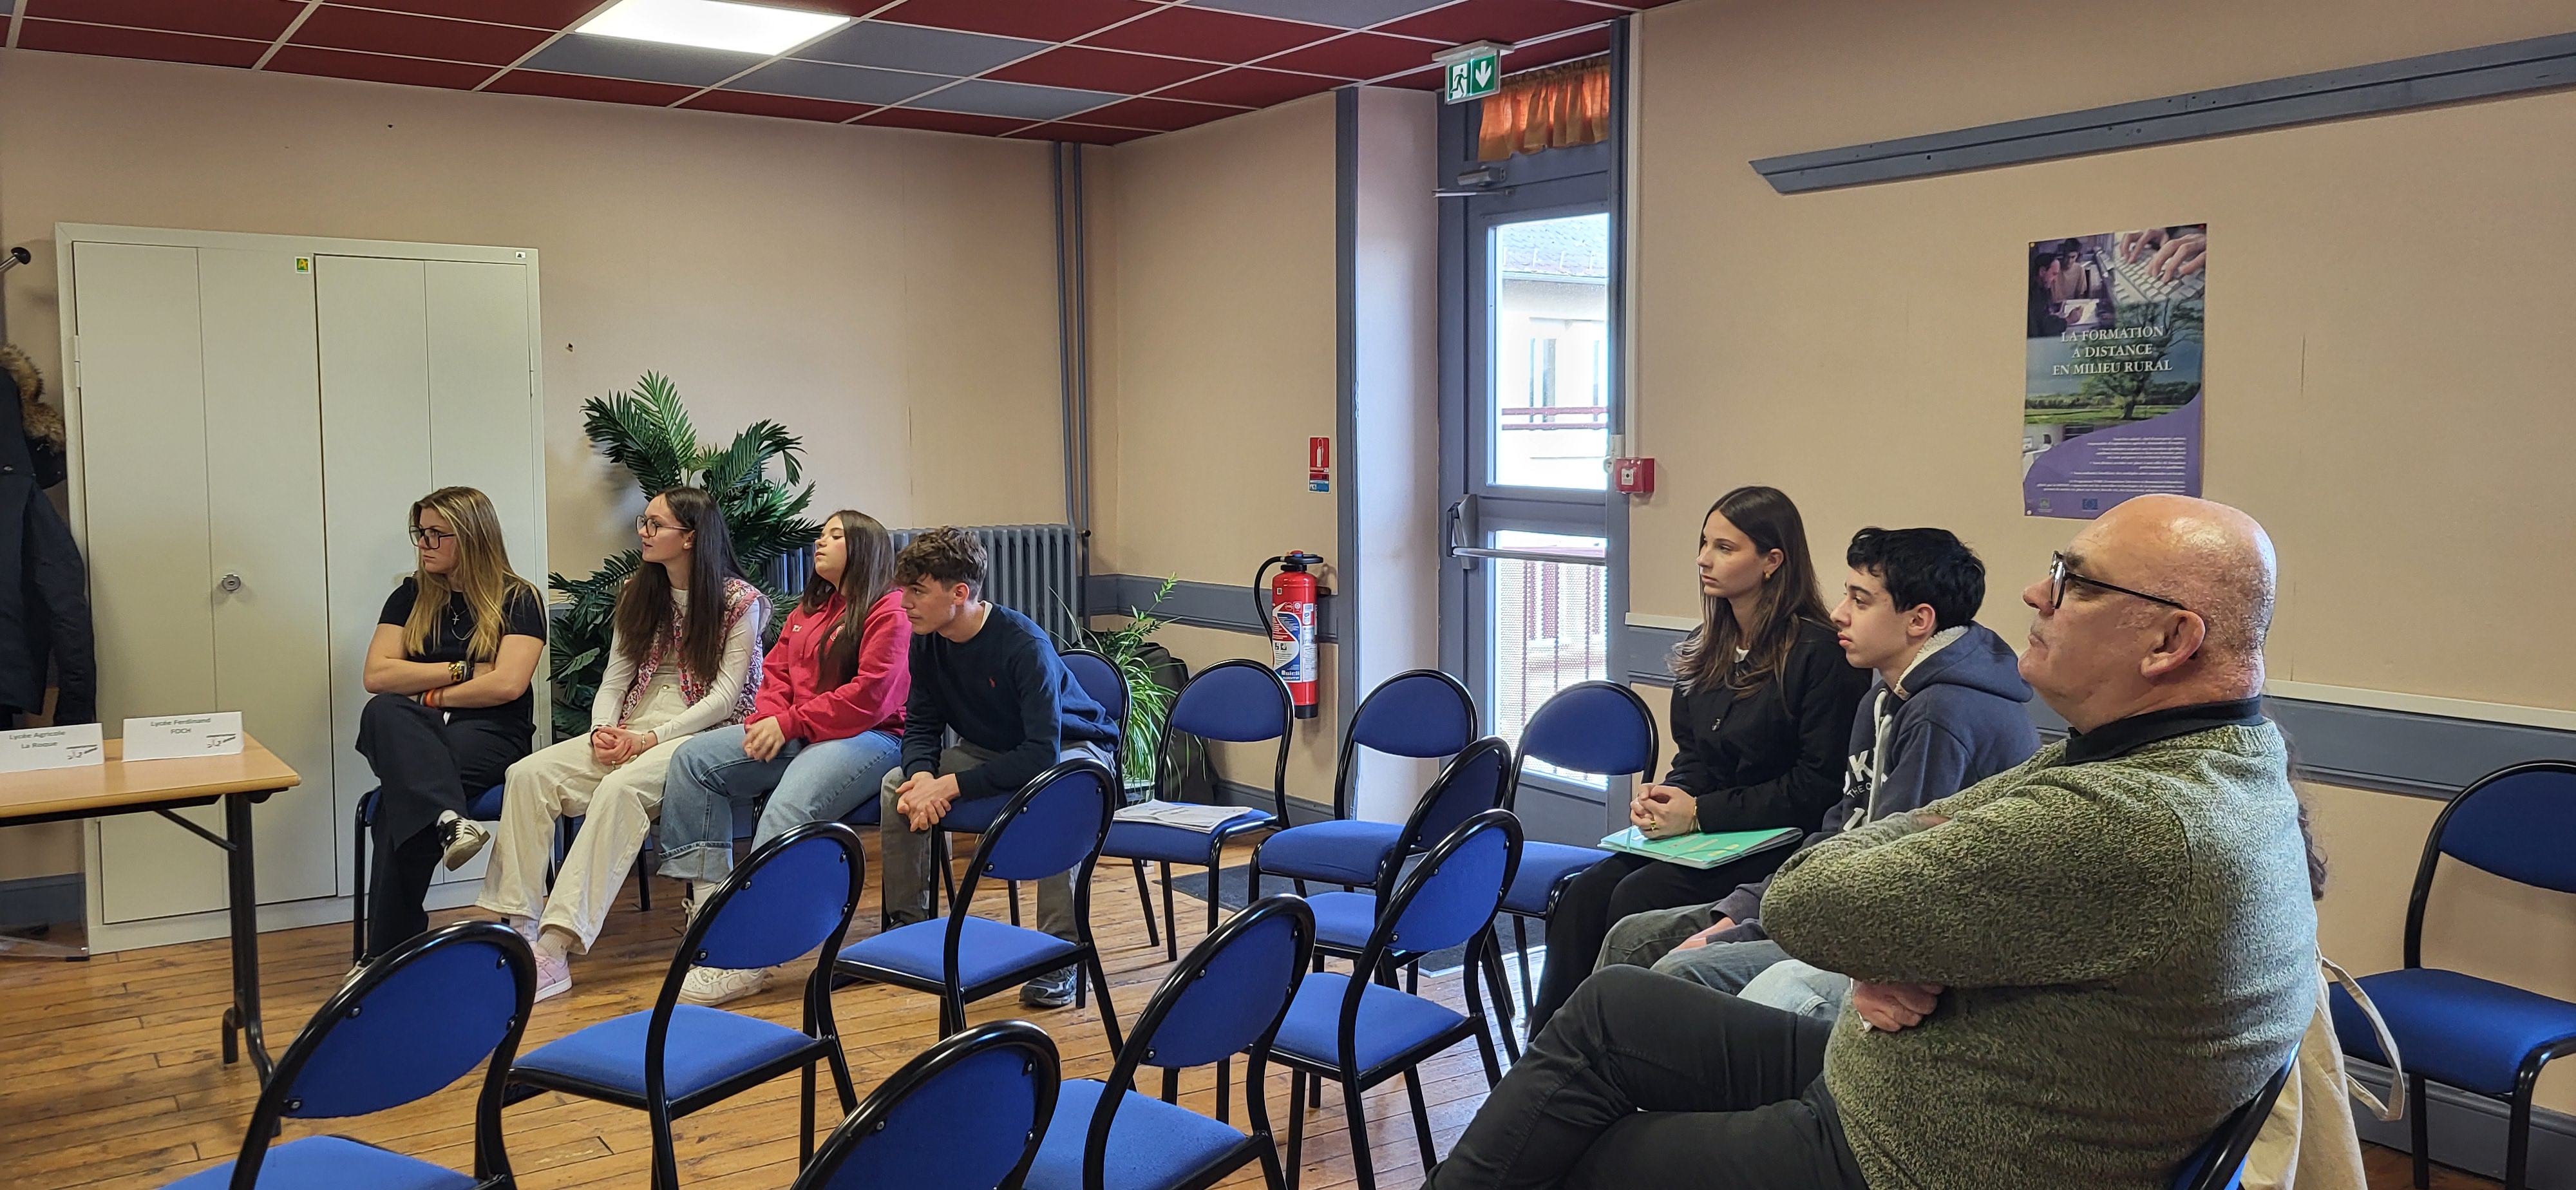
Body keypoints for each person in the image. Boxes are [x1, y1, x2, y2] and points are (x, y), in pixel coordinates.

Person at [1428, 495, 2318, 1190]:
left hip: (1918, 1153)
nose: (2036, 594)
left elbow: (1811, 897)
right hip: (1920, 1080)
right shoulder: (2203, 758)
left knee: (1580, 1153)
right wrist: (1897, 937)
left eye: (2076, 583)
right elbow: (1870, 858)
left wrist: (1892, 931)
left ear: (2171, 639)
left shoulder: (2137, 819)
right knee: (1614, 1006)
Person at [1595, 527, 2041, 1014]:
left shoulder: (1943, 714)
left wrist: (1744, 930)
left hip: (1895, 944)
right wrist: (1742, 911)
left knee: (1680, 970)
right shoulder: (1883, 697)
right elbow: (1838, 833)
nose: (1838, 614)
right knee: (1632, 937)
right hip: (1839, 902)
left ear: (1919, 620)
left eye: (1860, 601)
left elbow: (1891, 881)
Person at [1526, 486, 1871, 1034]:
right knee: (1582, 894)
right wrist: (1669, 797)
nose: (1704, 560)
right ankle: (1551, 1045)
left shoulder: (1819, 654)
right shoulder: (1706, 643)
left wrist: (1700, 813)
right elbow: (1695, 756)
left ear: (1772, 561)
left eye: (1725, 548)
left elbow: (1817, 788)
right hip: (1706, 837)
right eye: (1704, 544)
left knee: (1637, 897)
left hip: (1776, 844)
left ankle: (1613, 1046)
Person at [475, 487, 765, 1002]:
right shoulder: (637, 591)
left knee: (620, 791)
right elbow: (616, 676)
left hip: (701, 735)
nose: (644, 533)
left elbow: (725, 698)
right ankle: (521, 931)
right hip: (634, 722)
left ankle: (555, 948)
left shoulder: (739, 601)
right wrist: (602, 730)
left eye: (655, 525)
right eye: (643, 523)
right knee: (528, 775)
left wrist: (648, 739)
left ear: (691, 537)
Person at [656, 510, 910, 1006]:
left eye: (835, 535)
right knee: (693, 761)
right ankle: (713, 916)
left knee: (787, 808)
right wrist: (770, 720)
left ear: (864, 549)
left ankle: (747, 955)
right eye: (822, 533)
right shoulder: (810, 609)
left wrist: (789, 724)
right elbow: (775, 675)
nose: (820, 542)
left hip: (870, 737)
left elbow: (871, 697)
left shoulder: (890, 609)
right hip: (801, 729)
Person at [880, 527, 1118, 1008]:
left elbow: (1041, 754)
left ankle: (1059, 957)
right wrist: (923, 777)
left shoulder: (1022, 644)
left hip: (1071, 749)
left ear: (959, 593)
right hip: (995, 749)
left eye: (918, 591)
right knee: (896, 785)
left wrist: (950, 785)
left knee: (1061, 793)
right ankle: (909, 931)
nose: (905, 603)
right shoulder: (927, 641)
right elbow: (921, 724)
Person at [352, 487, 544, 965]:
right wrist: (464, 670)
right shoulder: (409, 596)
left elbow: (507, 685)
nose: (424, 543)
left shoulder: (518, 598)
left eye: (438, 534)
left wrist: (428, 692)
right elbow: (377, 676)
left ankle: (385, 958)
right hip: (420, 731)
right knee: (381, 711)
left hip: (493, 732)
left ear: (473, 536)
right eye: (420, 532)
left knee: (398, 806)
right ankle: (449, 821)